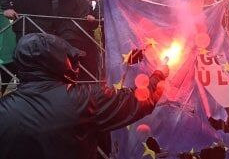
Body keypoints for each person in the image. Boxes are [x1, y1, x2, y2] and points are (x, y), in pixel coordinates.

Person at [0, 33, 167, 159]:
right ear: (56, 62)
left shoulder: (4, 108)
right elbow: (139, 100)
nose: (77, 66)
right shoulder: (84, 99)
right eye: (71, 60)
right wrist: (159, 74)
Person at [56, 0, 99, 81]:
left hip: (84, 38)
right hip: (70, 36)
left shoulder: (87, 4)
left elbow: (94, 25)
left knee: (87, 68)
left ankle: (88, 88)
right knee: (72, 68)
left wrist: (98, 7)